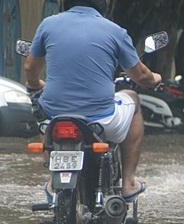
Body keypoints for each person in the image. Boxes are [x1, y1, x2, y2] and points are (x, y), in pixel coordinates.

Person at [24, 0, 161, 202]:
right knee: (132, 99)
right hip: (101, 121)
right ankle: (128, 183)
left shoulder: (48, 24)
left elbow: (30, 68)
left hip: (56, 116)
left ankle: (54, 180)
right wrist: (155, 79)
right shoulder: (115, 31)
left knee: (45, 119)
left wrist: (35, 85)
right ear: (103, 4)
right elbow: (141, 75)